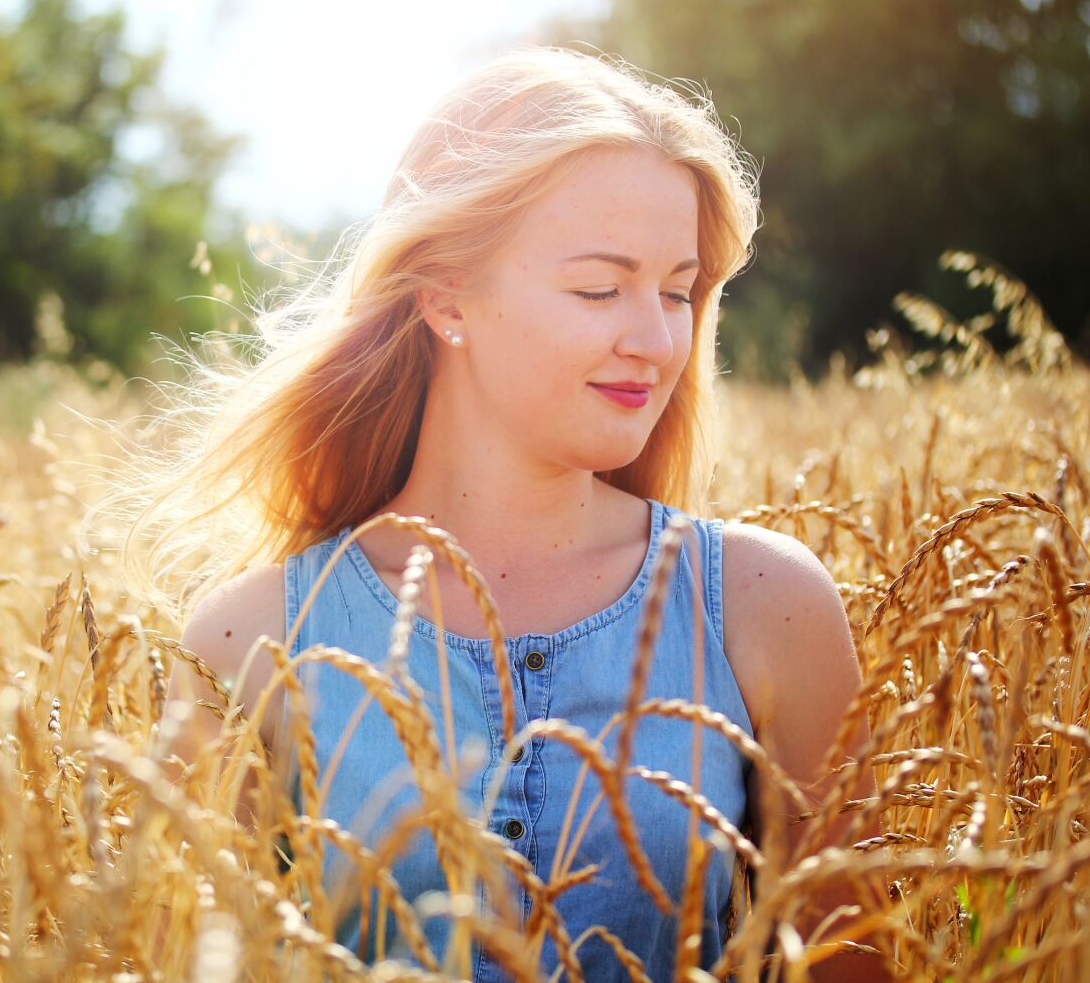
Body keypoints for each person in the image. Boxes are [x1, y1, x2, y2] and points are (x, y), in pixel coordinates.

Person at [91, 47, 892, 981]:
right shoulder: (250, 638)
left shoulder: (763, 602)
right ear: (445, 296)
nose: (657, 340)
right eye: (600, 287)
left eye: (677, 291)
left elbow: (852, 962)